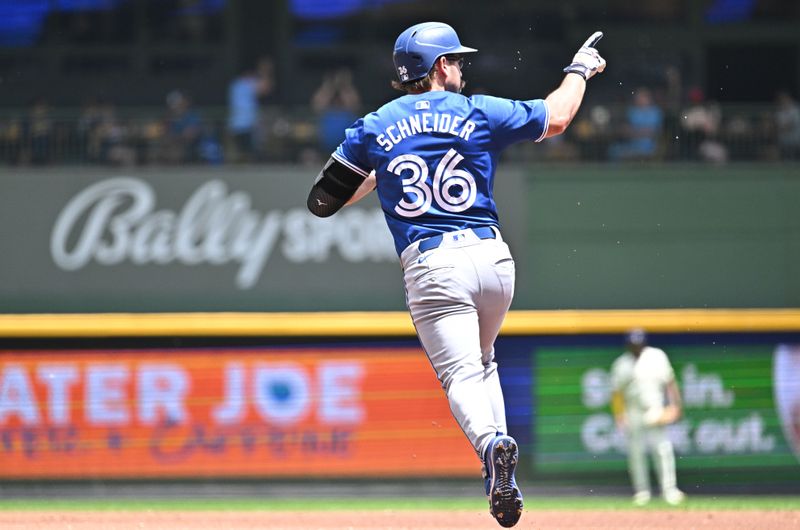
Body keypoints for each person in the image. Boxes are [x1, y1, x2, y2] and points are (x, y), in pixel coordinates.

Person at [306, 21, 606, 527]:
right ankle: (499, 474)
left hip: (433, 266)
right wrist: (579, 69)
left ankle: (491, 447)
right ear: (439, 66)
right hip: (493, 259)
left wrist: (385, 164)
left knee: (460, 373)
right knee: (484, 362)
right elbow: (557, 117)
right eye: (457, 60)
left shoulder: (374, 125)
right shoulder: (477, 110)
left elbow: (322, 202)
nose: (462, 67)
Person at [611, 328, 686, 506]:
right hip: (633, 411)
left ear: (643, 342)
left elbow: (670, 383)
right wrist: (620, 416)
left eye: (638, 343)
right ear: (628, 345)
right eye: (632, 344)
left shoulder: (656, 356)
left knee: (662, 450)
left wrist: (675, 406)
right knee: (636, 453)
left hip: (655, 408)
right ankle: (642, 492)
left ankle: (669, 491)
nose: (635, 347)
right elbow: (616, 393)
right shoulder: (621, 364)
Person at [227, 58, 274, 162]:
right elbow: (266, 88)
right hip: (247, 125)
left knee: (242, 155)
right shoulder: (245, 83)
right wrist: (265, 71)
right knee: (251, 155)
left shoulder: (235, 84)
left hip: (235, 124)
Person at [608, 87, 663, 161]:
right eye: (637, 97)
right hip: (632, 145)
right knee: (613, 150)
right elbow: (624, 130)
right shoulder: (632, 111)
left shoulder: (655, 112)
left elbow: (653, 132)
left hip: (648, 148)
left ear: (648, 98)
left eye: (641, 97)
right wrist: (637, 132)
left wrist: (634, 132)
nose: (639, 100)